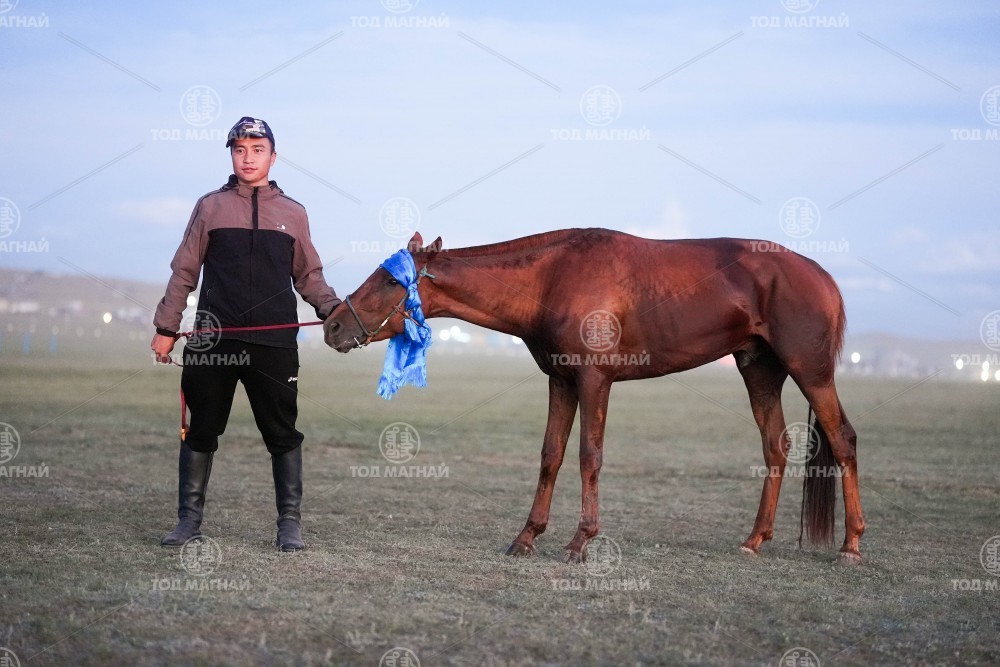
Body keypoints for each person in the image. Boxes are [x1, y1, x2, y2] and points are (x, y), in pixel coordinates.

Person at [150, 116, 341, 551]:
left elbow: (309, 276)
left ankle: (289, 525)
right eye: (240, 150)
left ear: (273, 157)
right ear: (232, 155)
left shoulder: (293, 213)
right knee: (201, 431)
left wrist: (334, 311)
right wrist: (166, 326)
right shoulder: (210, 207)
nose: (248, 158)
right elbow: (184, 271)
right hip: (213, 341)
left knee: (282, 435)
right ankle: (188, 522)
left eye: (257, 150)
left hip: (274, 344)